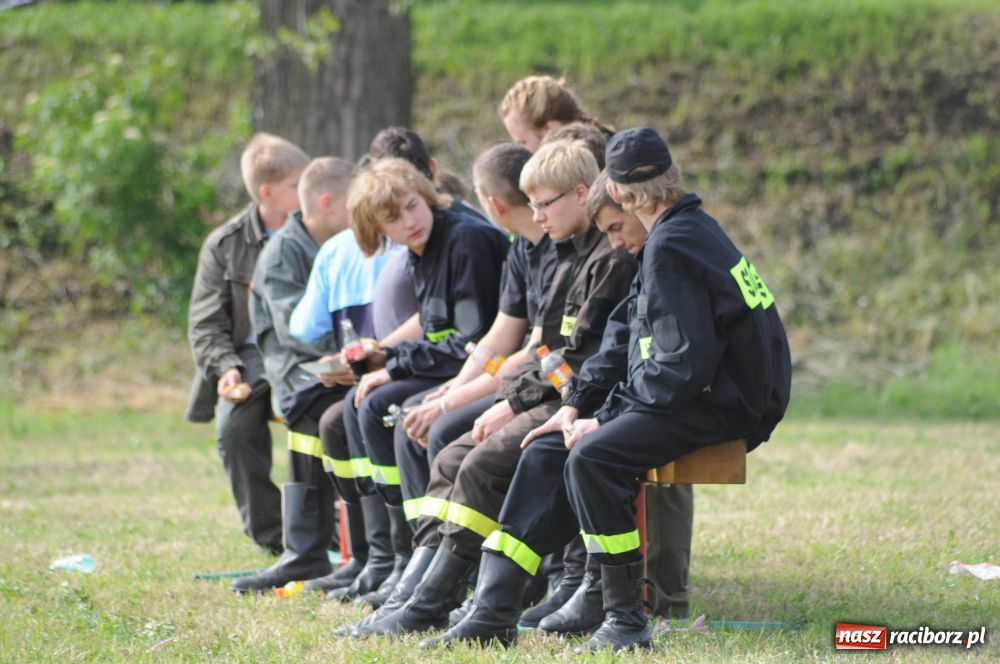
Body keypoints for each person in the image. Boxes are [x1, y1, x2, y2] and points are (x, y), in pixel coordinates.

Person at [427, 128, 792, 652]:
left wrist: (606, 417)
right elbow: (622, 340)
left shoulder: (672, 243)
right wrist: (574, 405)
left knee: (593, 457)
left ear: (620, 195)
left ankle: (622, 617)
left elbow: (680, 367)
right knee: (548, 447)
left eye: (616, 226)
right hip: (701, 394)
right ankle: (494, 609)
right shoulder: (674, 235)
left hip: (723, 405)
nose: (615, 241)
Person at [353, 140, 636, 639]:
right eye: (531, 205)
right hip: (554, 393)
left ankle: (467, 605)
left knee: (481, 460)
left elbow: (576, 359)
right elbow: (540, 349)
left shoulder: (606, 257)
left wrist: (508, 402)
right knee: (451, 455)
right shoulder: (561, 252)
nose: (535, 215)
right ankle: (418, 594)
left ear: (580, 193)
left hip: (578, 401)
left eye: (543, 203)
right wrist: (497, 396)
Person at [503, 76, 693, 620]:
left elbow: (670, 359)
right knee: (570, 445)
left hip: (680, 400)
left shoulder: (656, 237)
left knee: (606, 457)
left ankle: (645, 597)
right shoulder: (629, 229)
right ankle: (575, 588)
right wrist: (577, 402)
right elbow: (612, 336)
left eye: (529, 142)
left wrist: (598, 408)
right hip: (632, 388)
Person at [331, 157, 509, 604]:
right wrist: (384, 353)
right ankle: (395, 555)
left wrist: (394, 365)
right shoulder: (421, 249)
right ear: (377, 229)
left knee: (387, 408)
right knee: (362, 403)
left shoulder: (465, 240)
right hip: (456, 365)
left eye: (412, 206)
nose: (409, 221)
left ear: (425, 196)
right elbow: (433, 327)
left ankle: (426, 556)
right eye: (393, 218)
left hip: (485, 371)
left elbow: (470, 339)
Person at [229, 157, 362, 593]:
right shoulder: (285, 251)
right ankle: (305, 553)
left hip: (343, 367)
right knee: (315, 418)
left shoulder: (345, 241)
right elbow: (294, 331)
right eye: (354, 202)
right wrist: (346, 362)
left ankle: (363, 551)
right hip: (299, 375)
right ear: (327, 203)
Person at [185, 133, 308, 553]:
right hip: (251, 356)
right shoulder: (225, 244)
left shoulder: (320, 231)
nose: (306, 192)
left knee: (315, 417)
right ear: (267, 192)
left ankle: (320, 531)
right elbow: (205, 323)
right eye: (296, 185)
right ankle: (273, 536)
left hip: (306, 350)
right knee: (233, 428)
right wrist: (225, 368)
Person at [499, 75, 613, 152]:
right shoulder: (607, 148)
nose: (522, 152)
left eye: (523, 142)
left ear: (549, 129)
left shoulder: (596, 167)